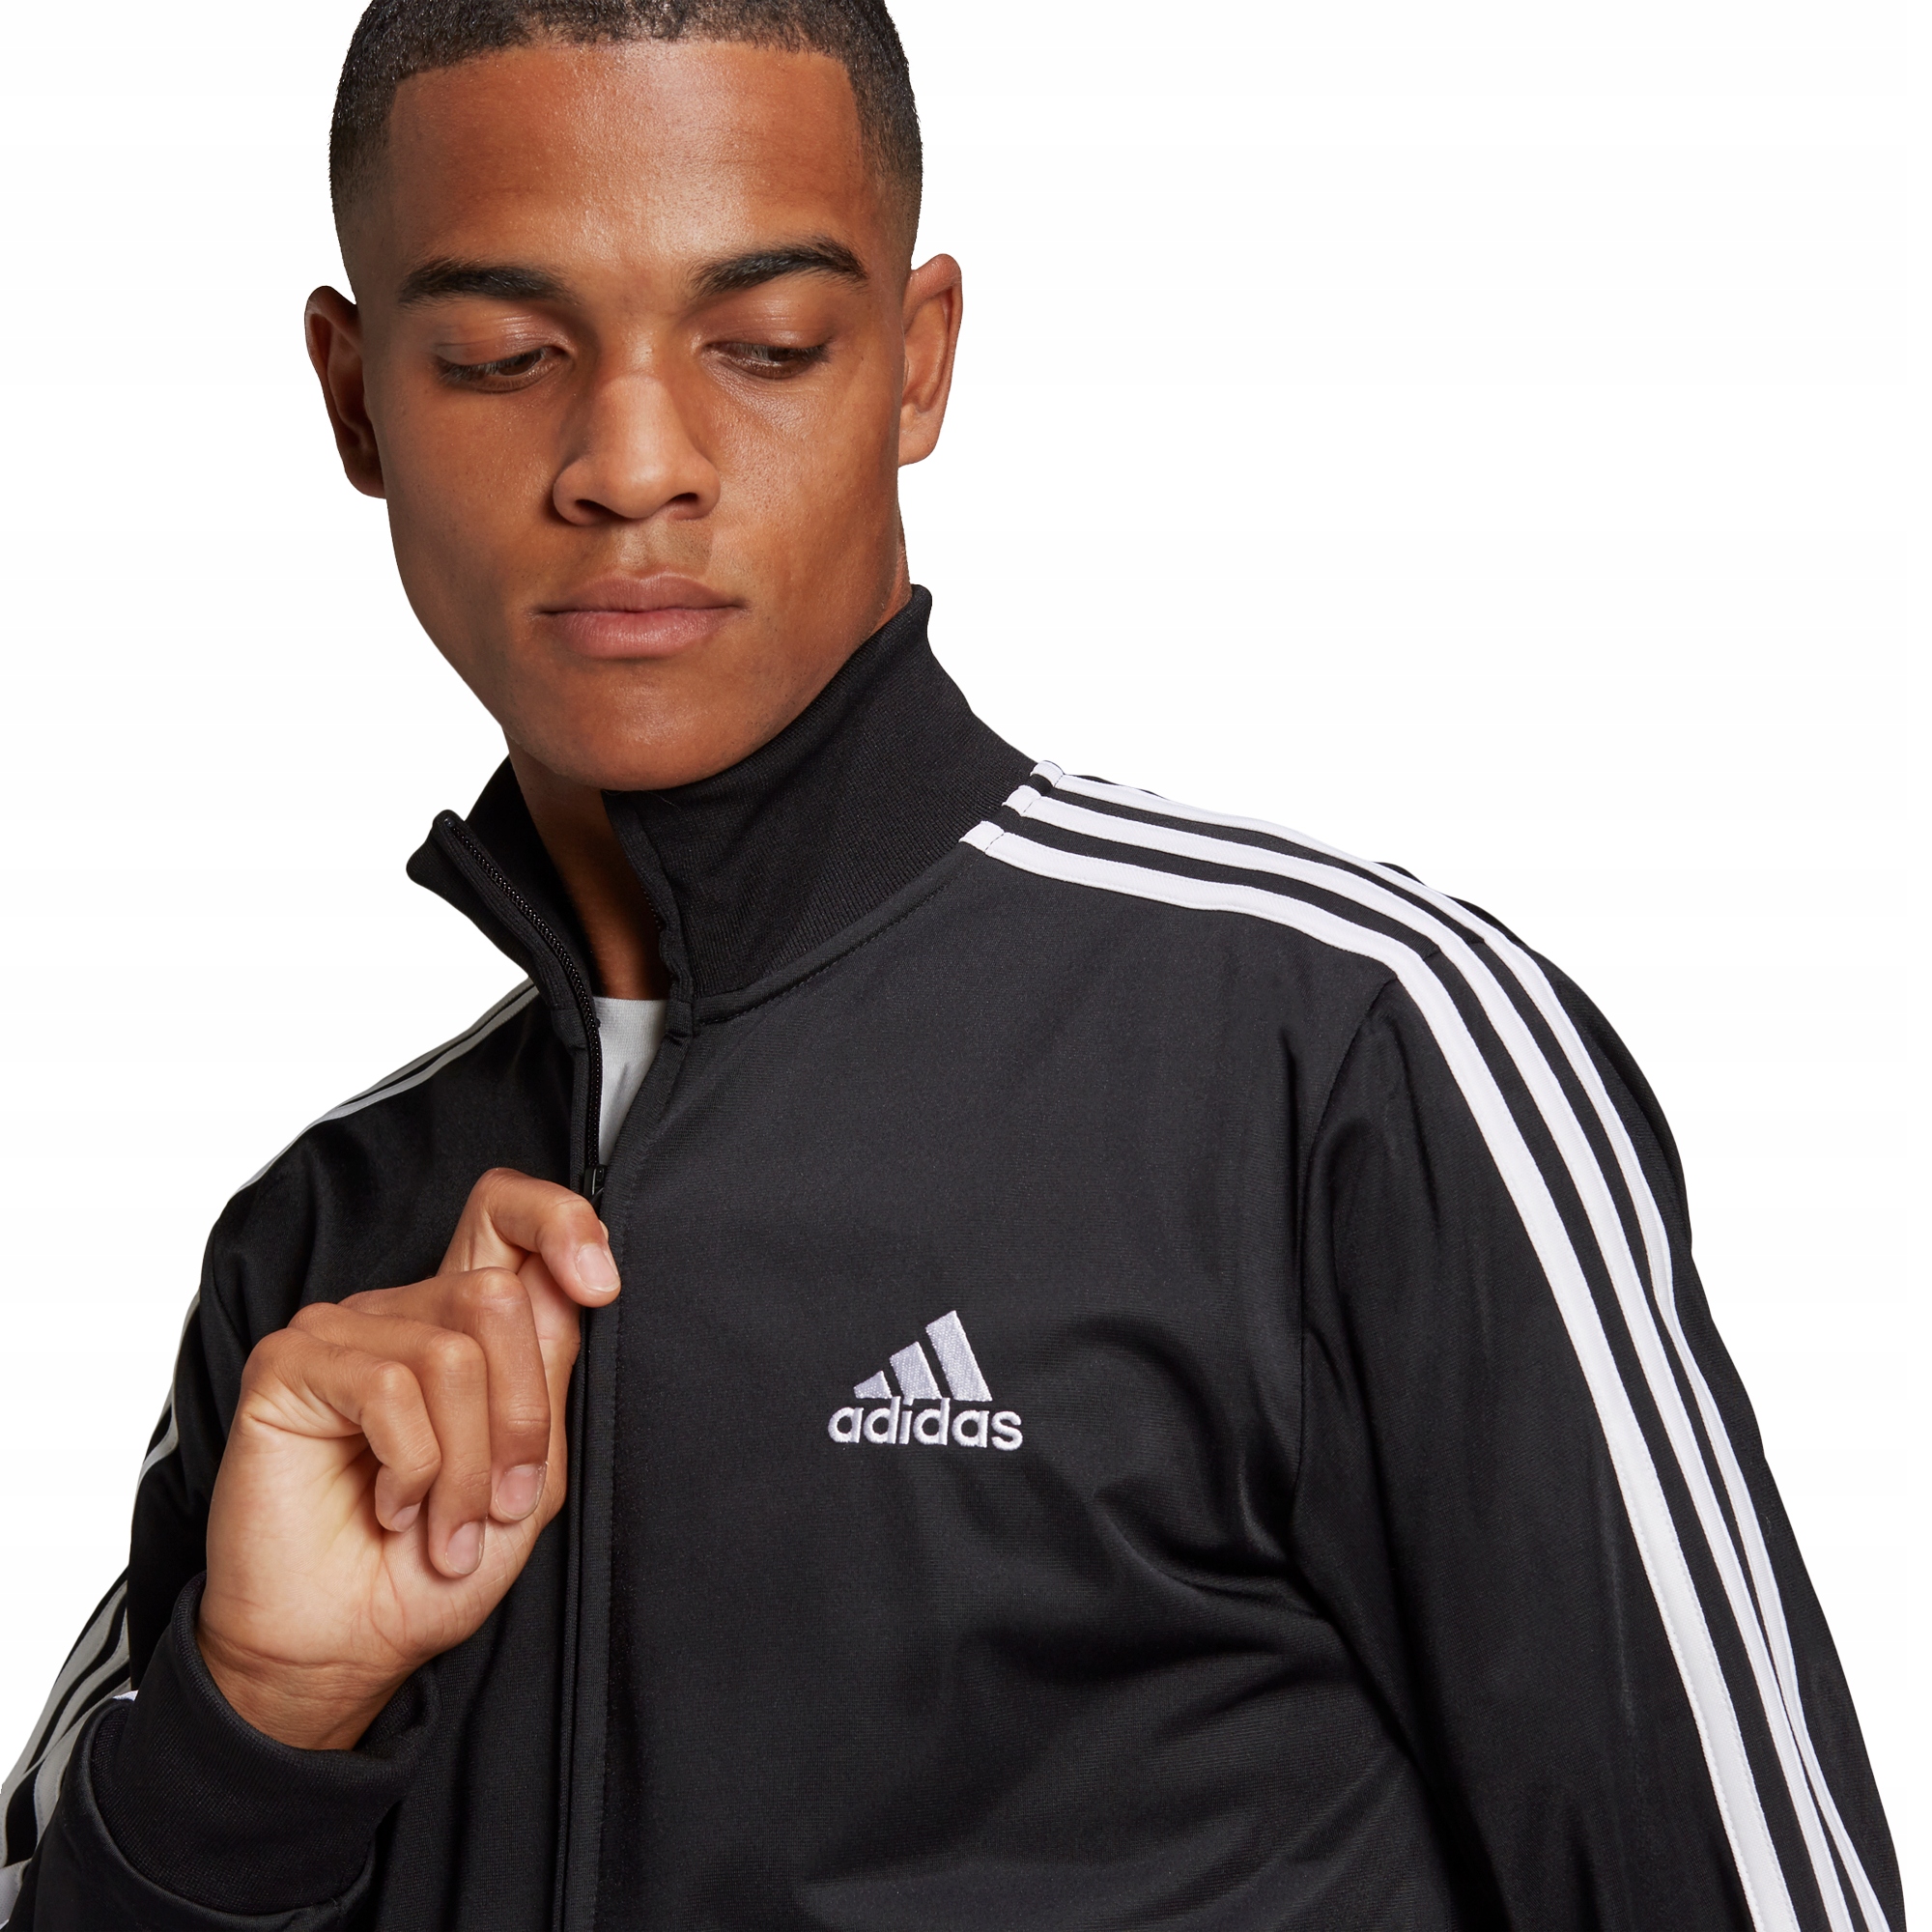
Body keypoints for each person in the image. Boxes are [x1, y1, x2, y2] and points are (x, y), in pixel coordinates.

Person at [0, 1, 1904, 1926]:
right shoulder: (320, 1248)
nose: (634, 462)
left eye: (763, 345)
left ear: (915, 366)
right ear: (354, 401)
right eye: (505, 356)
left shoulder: (1346, 1054)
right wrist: (258, 1725)